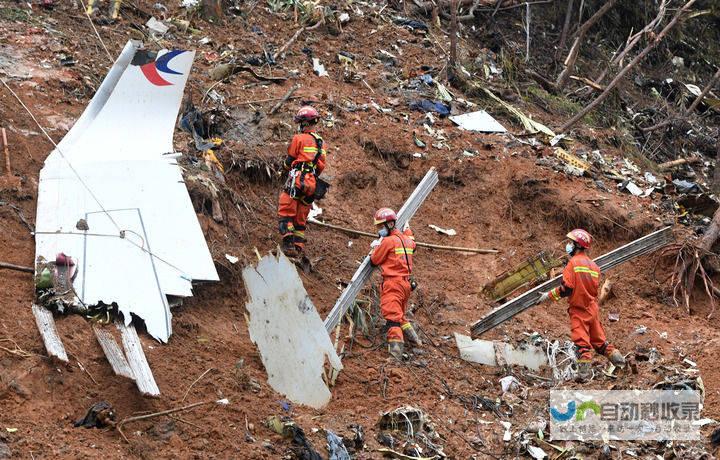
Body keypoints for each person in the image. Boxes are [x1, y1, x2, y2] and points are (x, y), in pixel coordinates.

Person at [538, 229, 625, 381]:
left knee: (582, 343)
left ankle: (583, 375)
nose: (568, 246)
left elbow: (567, 288)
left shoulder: (573, 263)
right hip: (592, 308)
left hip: (579, 309)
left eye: (571, 243)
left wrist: (549, 295)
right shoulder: (594, 267)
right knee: (600, 342)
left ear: (577, 245)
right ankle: (621, 362)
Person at [369, 208, 422, 360]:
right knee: (400, 315)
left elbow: (374, 261)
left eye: (381, 226)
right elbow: (413, 243)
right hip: (406, 285)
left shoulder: (388, 242)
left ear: (390, 224)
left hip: (393, 284)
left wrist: (375, 247)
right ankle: (415, 340)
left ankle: (395, 354)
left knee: (392, 318)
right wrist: (408, 230)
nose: (379, 229)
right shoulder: (407, 240)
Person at [277, 106, 328, 257]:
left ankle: (288, 244)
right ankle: (298, 247)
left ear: (304, 123)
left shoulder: (298, 138)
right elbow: (320, 166)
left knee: (286, 207)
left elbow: (290, 159)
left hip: (298, 178)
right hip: (312, 182)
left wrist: (284, 169)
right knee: (301, 213)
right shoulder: (321, 143)